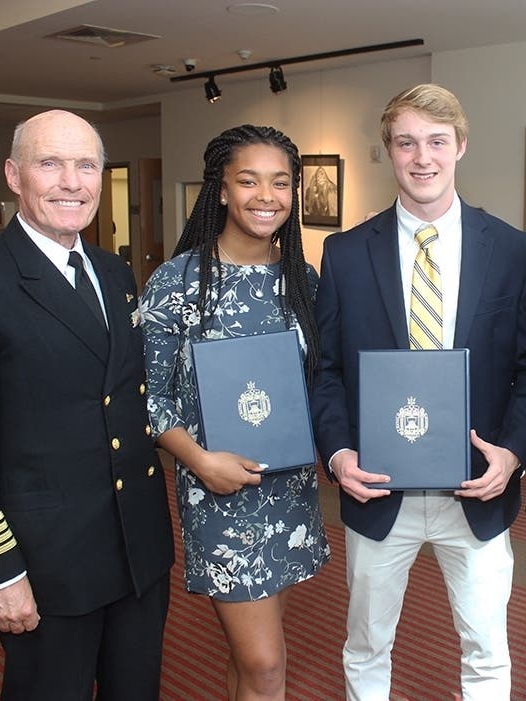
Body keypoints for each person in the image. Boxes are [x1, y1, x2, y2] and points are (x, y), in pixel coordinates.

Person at [0, 109, 174, 699]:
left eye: (86, 166)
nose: (71, 182)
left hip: (137, 547)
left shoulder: (113, 272)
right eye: (49, 163)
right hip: (46, 559)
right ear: (13, 175)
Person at [310, 84, 526, 700]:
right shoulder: (346, 253)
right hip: (379, 488)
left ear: (461, 146)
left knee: (488, 649)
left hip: (477, 485)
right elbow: (326, 370)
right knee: (366, 645)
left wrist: (512, 454)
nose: (422, 157)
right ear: (388, 151)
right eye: (406, 142)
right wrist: (337, 454)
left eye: (437, 142)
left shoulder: (513, 251)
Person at [139, 124, 330, 701]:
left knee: (251, 661)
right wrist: (199, 461)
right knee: (267, 663)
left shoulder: (301, 282)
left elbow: (319, 384)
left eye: (279, 182)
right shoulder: (178, 282)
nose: (265, 195)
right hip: (217, 490)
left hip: (291, 491)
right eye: (248, 181)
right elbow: (149, 397)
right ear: (221, 190)